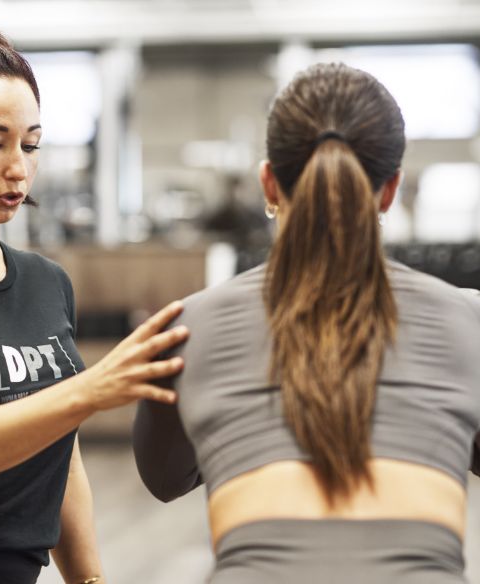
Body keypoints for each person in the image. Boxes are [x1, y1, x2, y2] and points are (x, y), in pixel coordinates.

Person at [133, 62, 480, 583]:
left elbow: (164, 478)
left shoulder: (187, 326)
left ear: (269, 183)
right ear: (390, 190)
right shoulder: (468, 318)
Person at [0, 23, 189, 584]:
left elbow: (59, 452)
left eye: (30, 145)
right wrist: (92, 389)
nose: (19, 168)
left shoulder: (47, 282)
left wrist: (88, 578)